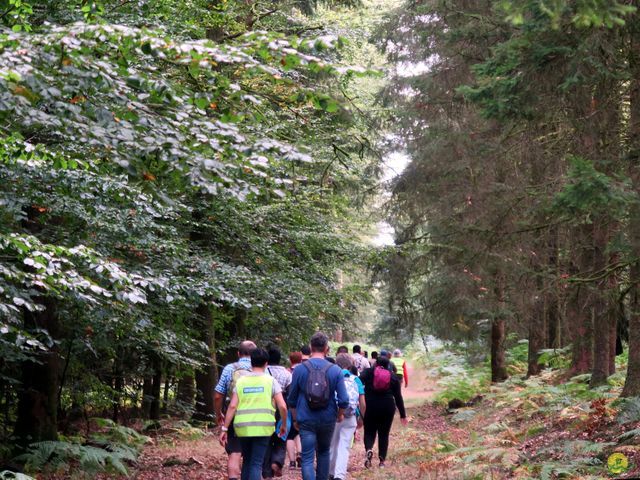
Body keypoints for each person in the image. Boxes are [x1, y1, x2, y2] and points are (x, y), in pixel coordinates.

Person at [287, 332, 349, 480]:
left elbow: (291, 399)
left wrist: (295, 419)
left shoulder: (300, 370)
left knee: (307, 457)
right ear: (327, 349)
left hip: (306, 419)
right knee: (323, 452)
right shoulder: (335, 370)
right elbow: (344, 400)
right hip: (327, 419)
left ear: (310, 347)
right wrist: (340, 414)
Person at [220, 348, 288, 480]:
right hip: (263, 428)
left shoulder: (241, 381)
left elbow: (232, 406)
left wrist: (225, 428)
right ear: (266, 363)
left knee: (247, 461)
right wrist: (284, 424)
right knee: (256, 464)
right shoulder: (271, 381)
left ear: (251, 362)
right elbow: (282, 406)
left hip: (243, 427)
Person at [214, 340, 257, 480]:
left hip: (234, 414)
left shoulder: (229, 368)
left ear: (238, 353)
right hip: (256, 415)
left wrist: (219, 413)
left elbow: (218, 395)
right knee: (252, 454)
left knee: (235, 451)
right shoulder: (260, 369)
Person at [359, 356, 408, 468]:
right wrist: (403, 415)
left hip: (370, 405)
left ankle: (369, 449)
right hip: (387, 406)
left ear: (376, 363)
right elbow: (398, 397)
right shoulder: (393, 376)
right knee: (384, 434)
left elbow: (357, 381)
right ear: (388, 365)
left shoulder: (368, 372)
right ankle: (381, 461)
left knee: (369, 431)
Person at [329, 353, 366, 480]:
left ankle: (330, 472)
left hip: (334, 416)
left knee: (332, 444)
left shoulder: (332, 377)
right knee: (344, 446)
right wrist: (361, 419)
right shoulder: (356, 379)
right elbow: (362, 403)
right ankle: (340, 475)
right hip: (350, 416)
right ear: (350, 365)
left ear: (336, 363)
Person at [263, 347, 293, 479]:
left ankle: (267, 472)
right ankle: (277, 462)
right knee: (281, 438)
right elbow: (291, 394)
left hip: (266, 408)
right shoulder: (287, 374)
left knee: (267, 440)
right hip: (282, 408)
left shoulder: (263, 372)